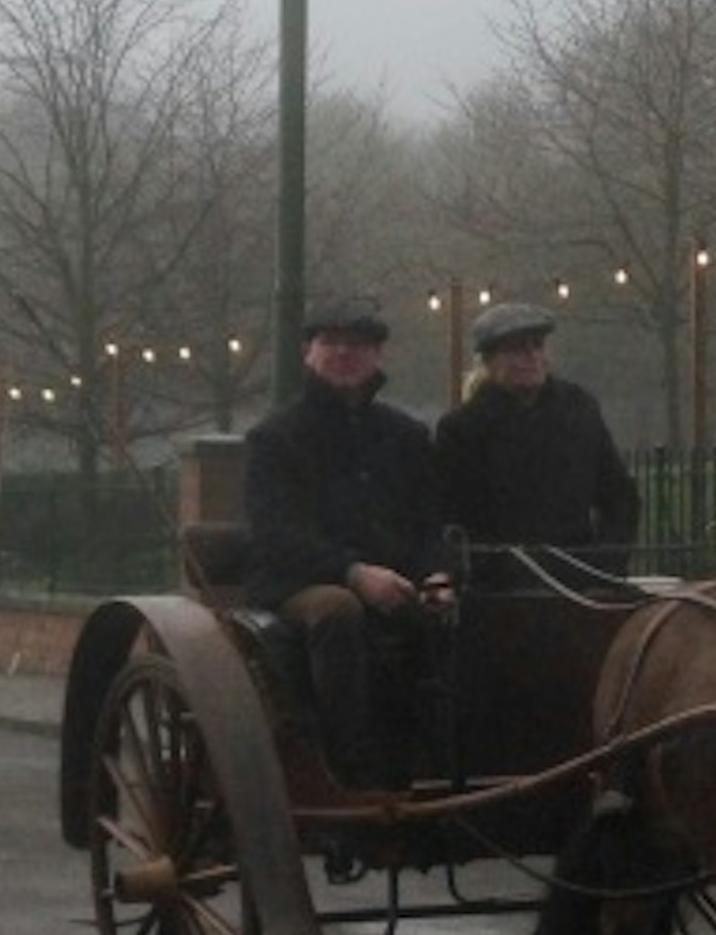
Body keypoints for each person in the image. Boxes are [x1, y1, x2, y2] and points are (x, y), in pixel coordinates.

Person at [241, 289, 454, 784]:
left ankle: (446, 754)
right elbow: (276, 534)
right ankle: (349, 765)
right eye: (330, 342)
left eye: (357, 343)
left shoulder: (406, 436)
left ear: (377, 356)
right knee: (338, 611)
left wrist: (438, 574)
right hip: (296, 584)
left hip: (394, 579)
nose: (344, 353)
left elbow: (430, 521)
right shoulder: (275, 438)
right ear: (307, 352)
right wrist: (353, 573)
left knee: (462, 614)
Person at [434, 300, 637, 571]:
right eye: (517, 349)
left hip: (580, 575)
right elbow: (452, 518)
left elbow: (620, 498)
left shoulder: (579, 410)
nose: (531, 357)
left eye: (537, 346)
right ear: (489, 362)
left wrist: (605, 562)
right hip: (501, 586)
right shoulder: (462, 429)